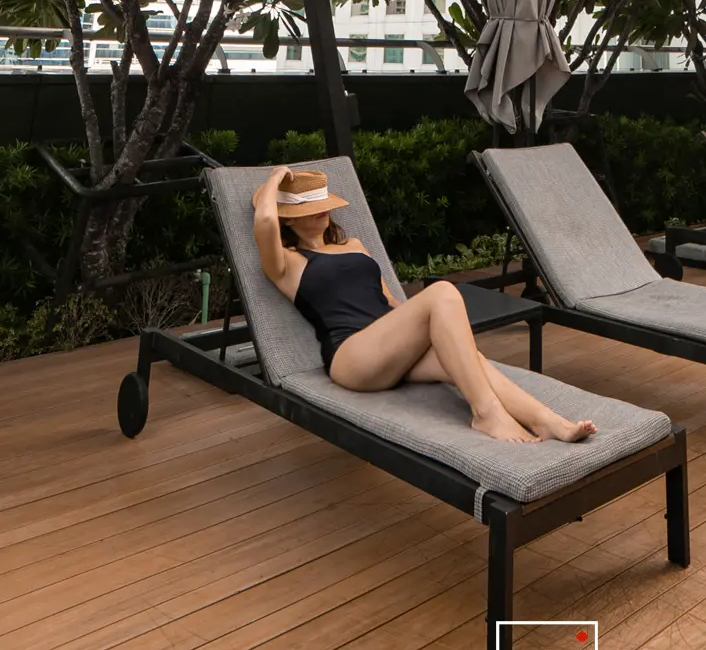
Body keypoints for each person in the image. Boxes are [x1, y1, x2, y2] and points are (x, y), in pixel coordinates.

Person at [251, 166, 595, 446]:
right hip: (352, 356)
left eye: (324, 202)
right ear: (289, 219)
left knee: (468, 359)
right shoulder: (286, 263)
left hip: (391, 346)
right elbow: (265, 221)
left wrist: (432, 333)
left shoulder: (354, 244)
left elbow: (389, 301)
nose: (323, 209)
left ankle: (549, 422)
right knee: (442, 291)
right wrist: (274, 179)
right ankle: (486, 414)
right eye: (309, 207)